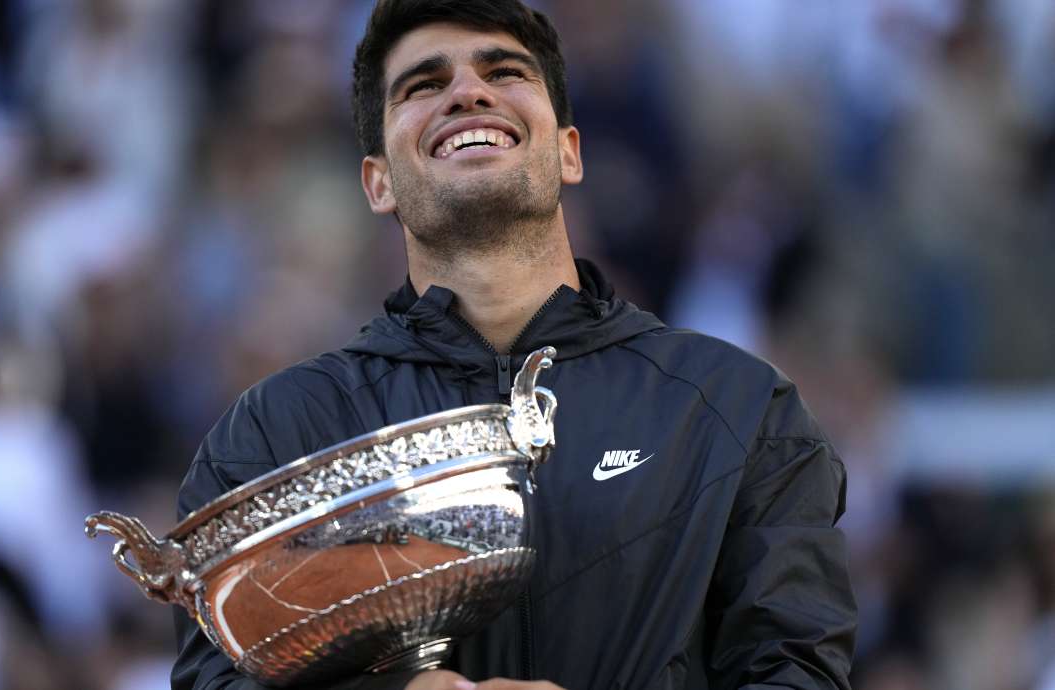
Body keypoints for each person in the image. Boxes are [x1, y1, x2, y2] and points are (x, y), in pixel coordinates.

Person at [172, 1, 857, 688]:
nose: (468, 92)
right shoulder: (276, 437)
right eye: (422, 85)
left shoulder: (738, 413)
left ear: (569, 151)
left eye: (503, 72)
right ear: (377, 183)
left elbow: (798, 675)